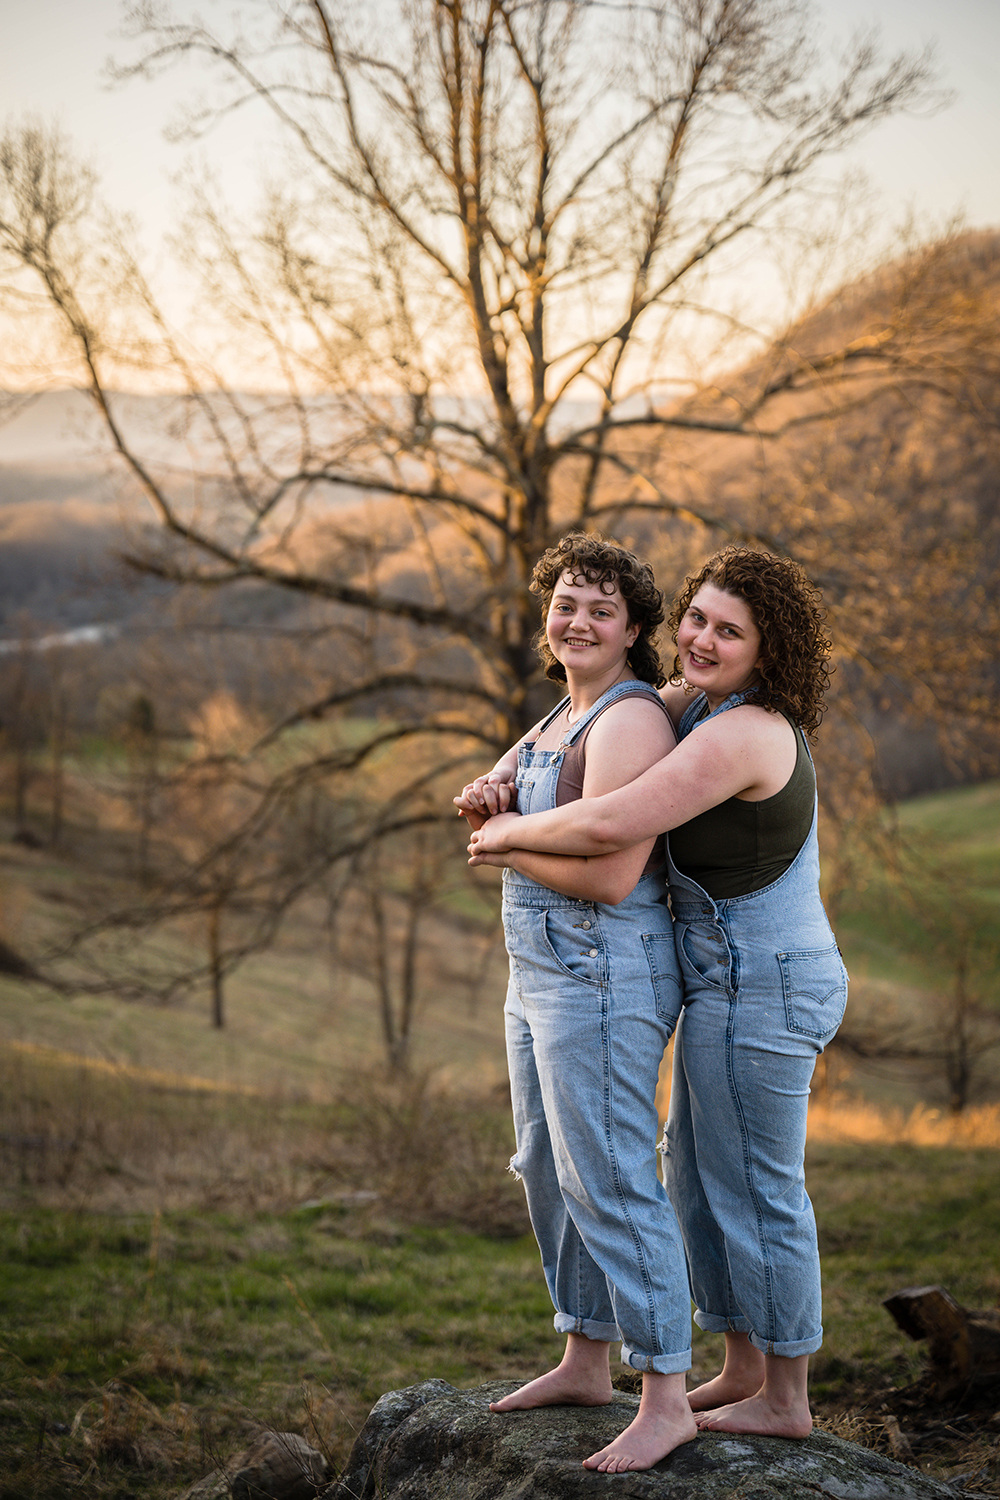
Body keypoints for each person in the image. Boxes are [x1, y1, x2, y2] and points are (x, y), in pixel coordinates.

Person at [466, 545, 848, 1442]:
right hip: (722, 974)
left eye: (730, 631)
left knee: (758, 1187)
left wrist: (508, 833)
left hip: (767, 979)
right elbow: (577, 717)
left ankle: (786, 1398)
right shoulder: (695, 700)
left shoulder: (743, 733)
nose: (703, 641)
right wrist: (498, 775)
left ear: (769, 650)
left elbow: (611, 826)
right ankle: (744, 1369)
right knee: (700, 1178)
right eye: (699, 619)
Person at [455, 533, 697, 1472]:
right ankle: (585, 1355)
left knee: (610, 1174)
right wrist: (494, 793)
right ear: (546, 616)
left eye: (602, 608)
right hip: (540, 970)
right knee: (544, 1161)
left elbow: (612, 872)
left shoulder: (629, 721)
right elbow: (490, 794)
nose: (579, 620)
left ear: (634, 628)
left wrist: (506, 838)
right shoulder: (562, 712)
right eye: (566, 602)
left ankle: (666, 1392)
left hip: (603, 970)